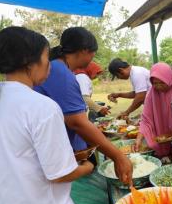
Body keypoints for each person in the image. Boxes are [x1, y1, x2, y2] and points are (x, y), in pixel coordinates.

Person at [0, 26, 94, 204]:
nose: (49, 64)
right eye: (47, 57)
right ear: (30, 63)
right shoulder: (42, 106)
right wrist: (87, 167)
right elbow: (59, 174)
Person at [35, 27, 132, 182]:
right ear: (84, 51)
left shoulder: (57, 68)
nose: (92, 59)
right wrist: (118, 156)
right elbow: (77, 123)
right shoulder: (62, 74)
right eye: (93, 54)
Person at [134, 62, 172, 158]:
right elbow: (146, 119)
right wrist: (139, 139)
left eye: (162, 82)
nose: (158, 86)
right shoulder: (152, 94)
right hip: (161, 137)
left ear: (169, 78)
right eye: (155, 83)